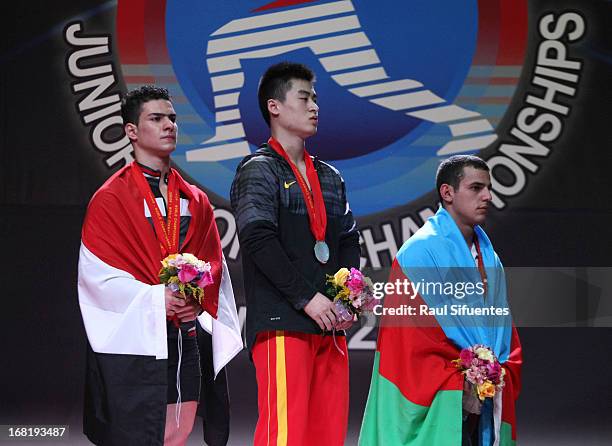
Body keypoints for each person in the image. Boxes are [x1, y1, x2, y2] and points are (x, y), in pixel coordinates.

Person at [78, 86, 242, 446]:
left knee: (178, 430)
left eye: (172, 118)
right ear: (131, 131)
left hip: (184, 334)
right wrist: (157, 300)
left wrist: (196, 298)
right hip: (136, 339)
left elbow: (214, 263)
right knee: (135, 432)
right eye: (156, 118)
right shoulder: (110, 199)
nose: (169, 125)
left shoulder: (194, 198)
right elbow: (97, 277)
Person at [230, 62, 361, 446]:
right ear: (274, 107)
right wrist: (307, 298)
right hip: (283, 322)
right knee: (285, 436)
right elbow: (258, 241)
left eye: (316, 98)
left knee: (327, 434)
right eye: (304, 98)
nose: (314, 106)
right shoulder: (258, 171)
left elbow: (348, 241)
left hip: (329, 324)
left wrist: (345, 299)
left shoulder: (330, 177)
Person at [359, 155, 522, 445]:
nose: (487, 196)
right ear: (447, 193)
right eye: (476, 188)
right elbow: (408, 341)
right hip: (443, 393)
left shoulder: (490, 257)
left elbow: (503, 329)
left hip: (485, 395)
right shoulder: (418, 254)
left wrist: (492, 373)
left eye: (488, 188)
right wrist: (461, 379)